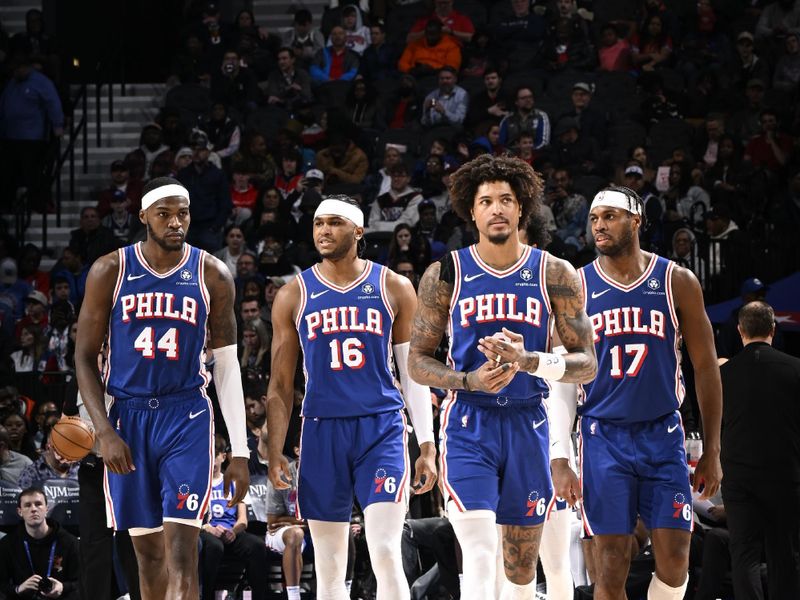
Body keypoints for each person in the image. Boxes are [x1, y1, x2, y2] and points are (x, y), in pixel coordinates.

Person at [407, 154, 597, 600]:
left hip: (530, 421)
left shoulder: (554, 272)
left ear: (521, 208)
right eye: (486, 201)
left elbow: (587, 362)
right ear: (471, 210)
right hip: (469, 422)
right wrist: (468, 380)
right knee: (476, 550)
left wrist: (532, 361)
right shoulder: (446, 273)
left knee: (520, 570)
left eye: (506, 200)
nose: (496, 209)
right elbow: (417, 361)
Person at [74, 176, 250, 599]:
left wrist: (241, 452)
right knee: (148, 556)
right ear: (144, 217)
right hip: (128, 418)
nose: (175, 223)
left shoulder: (213, 274)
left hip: (186, 415)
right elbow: (83, 358)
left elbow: (226, 365)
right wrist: (105, 432)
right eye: (164, 214)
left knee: (182, 553)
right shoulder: (110, 270)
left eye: (182, 213)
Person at [550, 185, 723, 600]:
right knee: (610, 564)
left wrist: (713, 450)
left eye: (610, 216)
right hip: (602, 436)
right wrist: (560, 455)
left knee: (676, 562)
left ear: (637, 221)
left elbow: (705, 366)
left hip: (663, 434)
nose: (600, 226)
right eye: (594, 219)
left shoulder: (676, 280)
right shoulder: (575, 286)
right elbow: (562, 377)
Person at [266, 194, 438, 599]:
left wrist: (426, 444)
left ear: (358, 230)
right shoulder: (294, 293)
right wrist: (275, 449)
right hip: (322, 430)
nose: (324, 231)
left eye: (335, 223)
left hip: (381, 429)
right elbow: (279, 383)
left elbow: (414, 373)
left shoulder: (393, 286)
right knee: (328, 565)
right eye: (319, 223)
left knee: (384, 550)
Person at [720, 300, 800, 600]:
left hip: (739, 478)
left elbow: (715, 427)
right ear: (773, 329)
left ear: (740, 331)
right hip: (785, 475)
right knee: (785, 555)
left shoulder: (723, 375)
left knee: (744, 555)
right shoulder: (795, 369)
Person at [200, 438, 268, 600]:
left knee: (257, 545)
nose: (212, 460)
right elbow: (194, 520)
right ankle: (207, 596)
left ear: (223, 457)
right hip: (208, 532)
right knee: (214, 547)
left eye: (215, 455)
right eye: (208, 455)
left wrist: (233, 531)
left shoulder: (235, 482)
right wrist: (208, 528)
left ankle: (259, 596)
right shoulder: (200, 483)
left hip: (232, 532)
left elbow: (243, 520)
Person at [0, 488, 80, 599]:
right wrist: (18, 589)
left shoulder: (69, 542)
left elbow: (82, 582)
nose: (33, 509)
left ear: (47, 509)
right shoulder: (7, 544)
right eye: (27, 505)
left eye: (38, 504)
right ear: (20, 512)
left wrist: (63, 587)